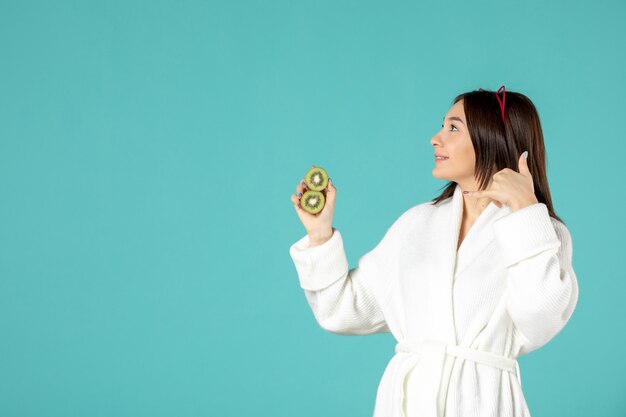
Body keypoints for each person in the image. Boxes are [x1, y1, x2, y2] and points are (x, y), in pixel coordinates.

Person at [288, 86, 579, 417]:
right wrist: (319, 234)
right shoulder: (416, 224)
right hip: (406, 403)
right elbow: (340, 310)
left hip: (482, 403)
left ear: (493, 137)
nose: (435, 138)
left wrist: (527, 210)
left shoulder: (540, 232)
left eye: (453, 128)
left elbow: (540, 318)